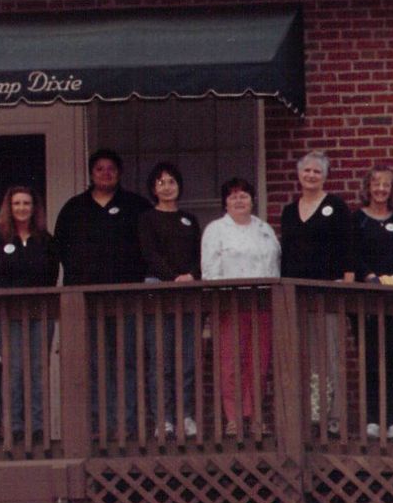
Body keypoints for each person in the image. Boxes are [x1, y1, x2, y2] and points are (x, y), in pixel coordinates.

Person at [56, 148, 152, 438]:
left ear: (119, 173)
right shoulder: (74, 208)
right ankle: (99, 425)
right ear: (91, 173)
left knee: (129, 362)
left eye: (111, 168)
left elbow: (150, 247)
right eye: (100, 168)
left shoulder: (136, 206)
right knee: (94, 364)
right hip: (86, 302)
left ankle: (129, 424)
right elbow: (60, 249)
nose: (106, 173)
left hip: (127, 300)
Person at [280, 151, 356, 435]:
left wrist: (345, 283)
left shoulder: (335, 206)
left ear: (324, 176)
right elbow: (286, 255)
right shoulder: (289, 211)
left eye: (316, 171)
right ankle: (310, 415)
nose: (311, 175)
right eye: (306, 171)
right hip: (298, 297)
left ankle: (333, 419)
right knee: (304, 357)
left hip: (327, 294)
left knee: (330, 356)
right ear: (299, 175)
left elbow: (348, 248)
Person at [200, 177, 282, 437]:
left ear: (252, 199)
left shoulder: (264, 229)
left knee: (258, 362)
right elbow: (210, 269)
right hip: (230, 303)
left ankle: (256, 415)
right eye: (233, 196)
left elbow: (274, 265)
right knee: (231, 361)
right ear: (225, 201)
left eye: (244, 195)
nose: (239, 200)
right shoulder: (216, 230)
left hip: (261, 302)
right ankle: (234, 417)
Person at [0, 184, 59, 443]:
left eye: (27, 203)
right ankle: (14, 427)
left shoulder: (45, 240)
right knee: (13, 371)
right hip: (7, 316)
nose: (22, 208)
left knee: (38, 370)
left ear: (34, 208)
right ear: (9, 207)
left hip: (40, 315)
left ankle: (37, 427)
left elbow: (51, 276)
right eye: (17, 203)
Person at [138, 162, 203, 440]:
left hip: (188, 291)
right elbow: (149, 254)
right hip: (159, 289)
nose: (167, 186)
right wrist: (172, 277)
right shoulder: (147, 219)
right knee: (161, 359)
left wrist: (191, 275)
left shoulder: (189, 219)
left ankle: (185, 415)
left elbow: (200, 253)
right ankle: (163, 419)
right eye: (161, 182)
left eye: (172, 181)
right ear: (154, 188)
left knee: (186, 358)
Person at [354, 166, 393, 440]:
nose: (381, 189)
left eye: (386, 185)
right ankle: (372, 417)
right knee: (370, 358)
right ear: (367, 187)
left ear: (392, 190)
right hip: (367, 298)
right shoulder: (357, 220)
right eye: (376, 184)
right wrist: (369, 276)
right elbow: (352, 253)